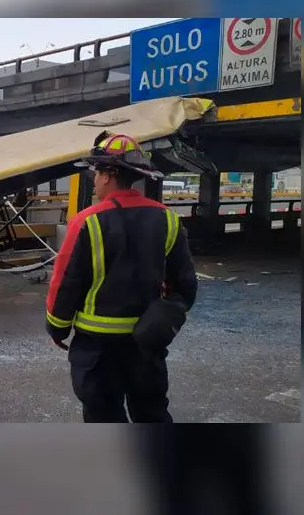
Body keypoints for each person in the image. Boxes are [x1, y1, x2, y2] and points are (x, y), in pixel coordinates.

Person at [45, 132, 198, 423]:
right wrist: (163, 318)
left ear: (108, 175)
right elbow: (186, 287)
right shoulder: (168, 219)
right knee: (151, 413)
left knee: (103, 415)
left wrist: (57, 328)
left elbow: (65, 283)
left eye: (96, 171)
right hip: (147, 344)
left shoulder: (87, 221)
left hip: (97, 349)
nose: (94, 178)